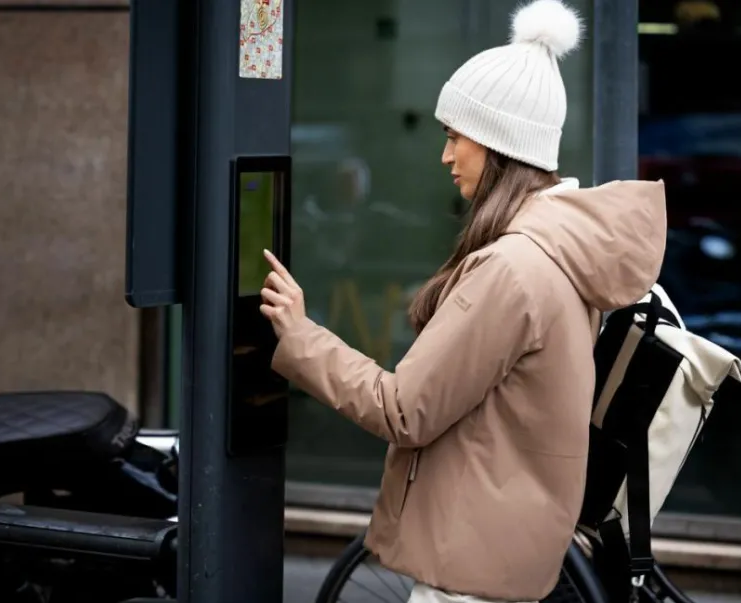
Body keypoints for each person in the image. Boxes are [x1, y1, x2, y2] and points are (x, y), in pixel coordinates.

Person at [260, 0, 667, 601]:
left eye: (456, 137)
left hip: (470, 573)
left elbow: (403, 410)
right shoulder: (560, 253)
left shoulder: (512, 269)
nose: (445, 156)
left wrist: (300, 336)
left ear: (499, 144)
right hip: (508, 554)